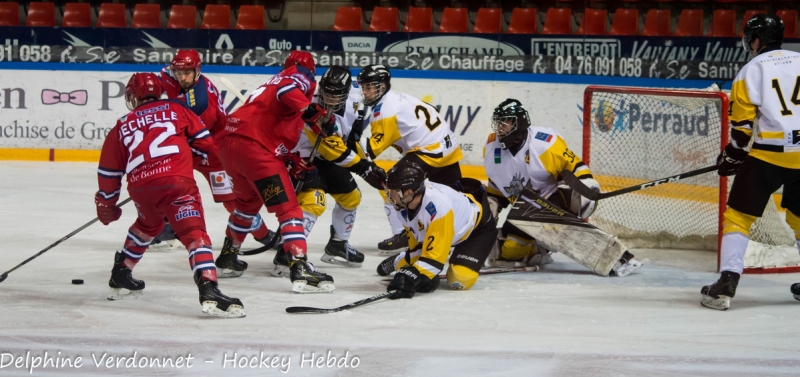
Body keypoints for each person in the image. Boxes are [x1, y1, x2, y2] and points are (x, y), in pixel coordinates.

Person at [95, 72, 244, 318]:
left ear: (133, 97)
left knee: (147, 224)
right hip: (177, 182)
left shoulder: (121, 124)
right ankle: (209, 288)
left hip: (141, 188)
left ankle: (121, 271)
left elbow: (109, 172)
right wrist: (233, 163)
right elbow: (206, 146)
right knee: (194, 234)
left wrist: (107, 205)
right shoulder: (178, 109)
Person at [214, 51, 337, 293]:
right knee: (289, 209)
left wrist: (288, 157)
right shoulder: (298, 75)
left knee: (246, 205)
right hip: (254, 149)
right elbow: (287, 90)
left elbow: (268, 127)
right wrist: (311, 111)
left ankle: (227, 258)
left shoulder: (269, 82)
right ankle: (299, 267)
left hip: (231, 146)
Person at [702, 14, 800, 310]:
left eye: (750, 37)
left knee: (739, 217)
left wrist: (732, 156)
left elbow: (742, 129)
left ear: (757, 40)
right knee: (799, 218)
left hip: (768, 154)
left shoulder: (751, 69)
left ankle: (727, 281)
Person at [483, 98, 642, 276]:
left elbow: (576, 168)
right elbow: (497, 185)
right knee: (509, 252)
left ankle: (619, 259)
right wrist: (491, 205)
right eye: (498, 122)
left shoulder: (543, 143)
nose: (499, 127)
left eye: (505, 122)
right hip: (524, 210)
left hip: (553, 200)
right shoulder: (492, 147)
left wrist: (587, 189)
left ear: (519, 123)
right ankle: (539, 248)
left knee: (561, 209)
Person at [157, 49, 278, 254]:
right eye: (179, 72)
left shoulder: (202, 102)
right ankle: (166, 228)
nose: (182, 77)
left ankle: (264, 235)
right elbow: (160, 79)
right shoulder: (172, 75)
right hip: (192, 143)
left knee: (233, 203)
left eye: (187, 72)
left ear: (197, 71)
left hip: (213, 151)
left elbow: (194, 137)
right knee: (163, 184)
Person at [277, 65, 386, 273]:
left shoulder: (357, 99)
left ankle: (338, 244)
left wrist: (367, 162)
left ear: (346, 93)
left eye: (336, 95)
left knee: (352, 197)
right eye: (326, 92)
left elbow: (351, 139)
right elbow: (330, 148)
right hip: (305, 158)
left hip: (334, 157)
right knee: (314, 201)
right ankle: (288, 254)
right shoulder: (308, 101)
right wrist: (363, 168)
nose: (330, 98)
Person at [357, 64, 463, 252]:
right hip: (447, 146)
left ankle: (404, 235)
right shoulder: (396, 98)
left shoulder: (385, 108)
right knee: (454, 196)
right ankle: (461, 235)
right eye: (363, 87)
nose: (365, 92)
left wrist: (343, 143)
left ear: (382, 86)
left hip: (428, 150)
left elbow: (370, 151)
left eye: (369, 87)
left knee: (392, 186)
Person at [376, 160, 496, 299]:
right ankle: (399, 259)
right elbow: (416, 244)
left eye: (393, 192)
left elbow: (435, 260)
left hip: (477, 230)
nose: (390, 196)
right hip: (448, 228)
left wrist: (412, 277)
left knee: (459, 279)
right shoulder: (404, 205)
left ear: (408, 192)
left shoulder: (439, 206)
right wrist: (412, 269)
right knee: (409, 267)